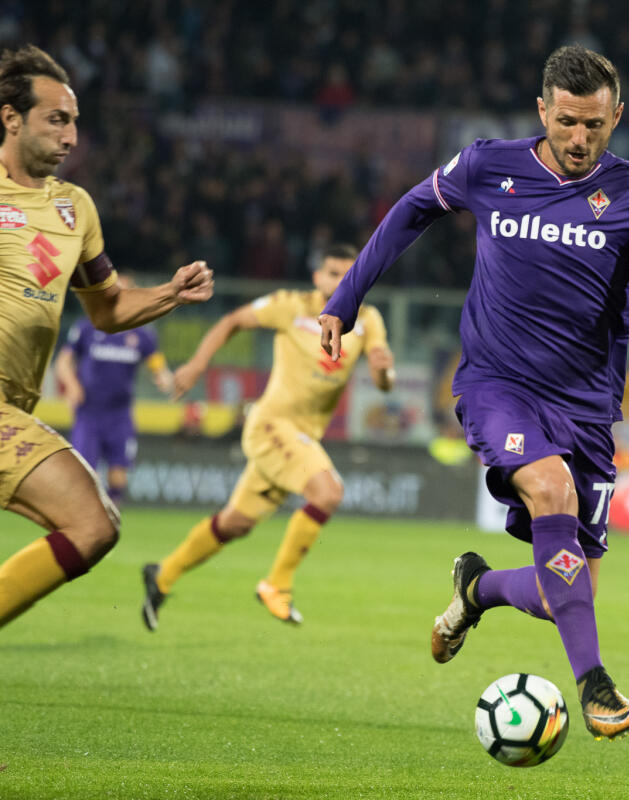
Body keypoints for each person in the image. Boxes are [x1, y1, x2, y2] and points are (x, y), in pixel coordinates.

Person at [318, 45, 629, 741]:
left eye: (594, 125)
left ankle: (477, 589)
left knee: (563, 594)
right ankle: (597, 690)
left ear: (617, 116)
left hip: (586, 405)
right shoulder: (490, 165)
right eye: (566, 122)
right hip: (498, 385)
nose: (580, 140)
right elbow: (409, 211)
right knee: (551, 491)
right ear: (542, 110)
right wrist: (344, 301)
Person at [0, 45, 213, 629]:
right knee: (94, 524)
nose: (71, 136)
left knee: (95, 526)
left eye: (75, 122)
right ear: (11, 119)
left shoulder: (75, 209)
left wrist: (170, 293)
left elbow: (108, 307)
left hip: (12, 412)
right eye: (57, 119)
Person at [140, 243, 394, 632]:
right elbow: (232, 322)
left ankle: (162, 575)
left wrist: (382, 371)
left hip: (302, 438)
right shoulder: (291, 305)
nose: (339, 279)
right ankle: (277, 584)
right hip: (272, 425)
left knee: (235, 523)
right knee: (328, 492)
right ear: (316, 277)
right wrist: (196, 365)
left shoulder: (369, 319)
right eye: (332, 271)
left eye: (348, 272)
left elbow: (384, 382)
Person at [53, 272, 174, 506]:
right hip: (89, 412)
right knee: (86, 474)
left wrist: (164, 379)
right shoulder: (88, 327)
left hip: (120, 414)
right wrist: (71, 385)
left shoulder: (142, 334)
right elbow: (63, 361)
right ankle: (91, 523)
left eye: (124, 291)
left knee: (118, 474)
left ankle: (112, 522)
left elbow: (158, 366)